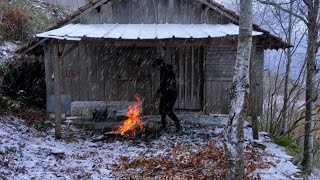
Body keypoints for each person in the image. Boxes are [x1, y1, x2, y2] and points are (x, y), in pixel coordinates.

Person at [153, 58, 182, 132]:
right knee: (162, 110)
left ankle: (178, 125)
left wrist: (162, 91)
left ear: (160, 64)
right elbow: (163, 84)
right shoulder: (163, 70)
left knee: (167, 110)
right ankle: (163, 126)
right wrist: (159, 91)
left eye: (157, 66)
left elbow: (168, 84)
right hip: (166, 93)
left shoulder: (168, 71)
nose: (157, 68)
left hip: (171, 94)